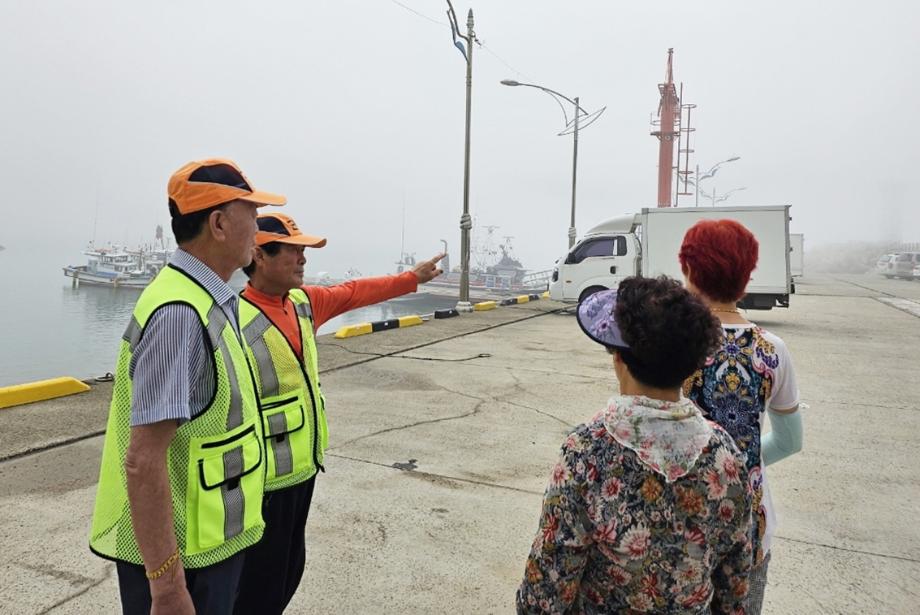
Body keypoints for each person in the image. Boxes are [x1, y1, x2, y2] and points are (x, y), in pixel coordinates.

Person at [89, 158, 286, 615]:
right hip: (183, 565)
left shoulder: (208, 299)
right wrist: (167, 587)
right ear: (218, 223)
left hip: (207, 547)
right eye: (251, 213)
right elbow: (143, 460)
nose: (258, 227)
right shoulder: (180, 313)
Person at [232, 212, 443, 614]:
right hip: (261, 484)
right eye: (294, 251)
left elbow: (356, 291)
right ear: (259, 255)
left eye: (303, 251)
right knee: (257, 588)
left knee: (288, 575)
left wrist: (411, 279)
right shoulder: (233, 320)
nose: (303, 259)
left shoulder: (302, 304)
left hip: (303, 473)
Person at [517, 276, 754, 614]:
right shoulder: (725, 454)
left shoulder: (586, 452)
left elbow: (544, 595)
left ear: (619, 358)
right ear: (691, 366)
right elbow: (734, 586)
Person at [679, 219, 804, 614]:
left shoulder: (675, 342)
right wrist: (738, 462)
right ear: (746, 276)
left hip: (681, 521)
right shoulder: (774, 350)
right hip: (750, 520)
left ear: (688, 270)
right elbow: (789, 441)